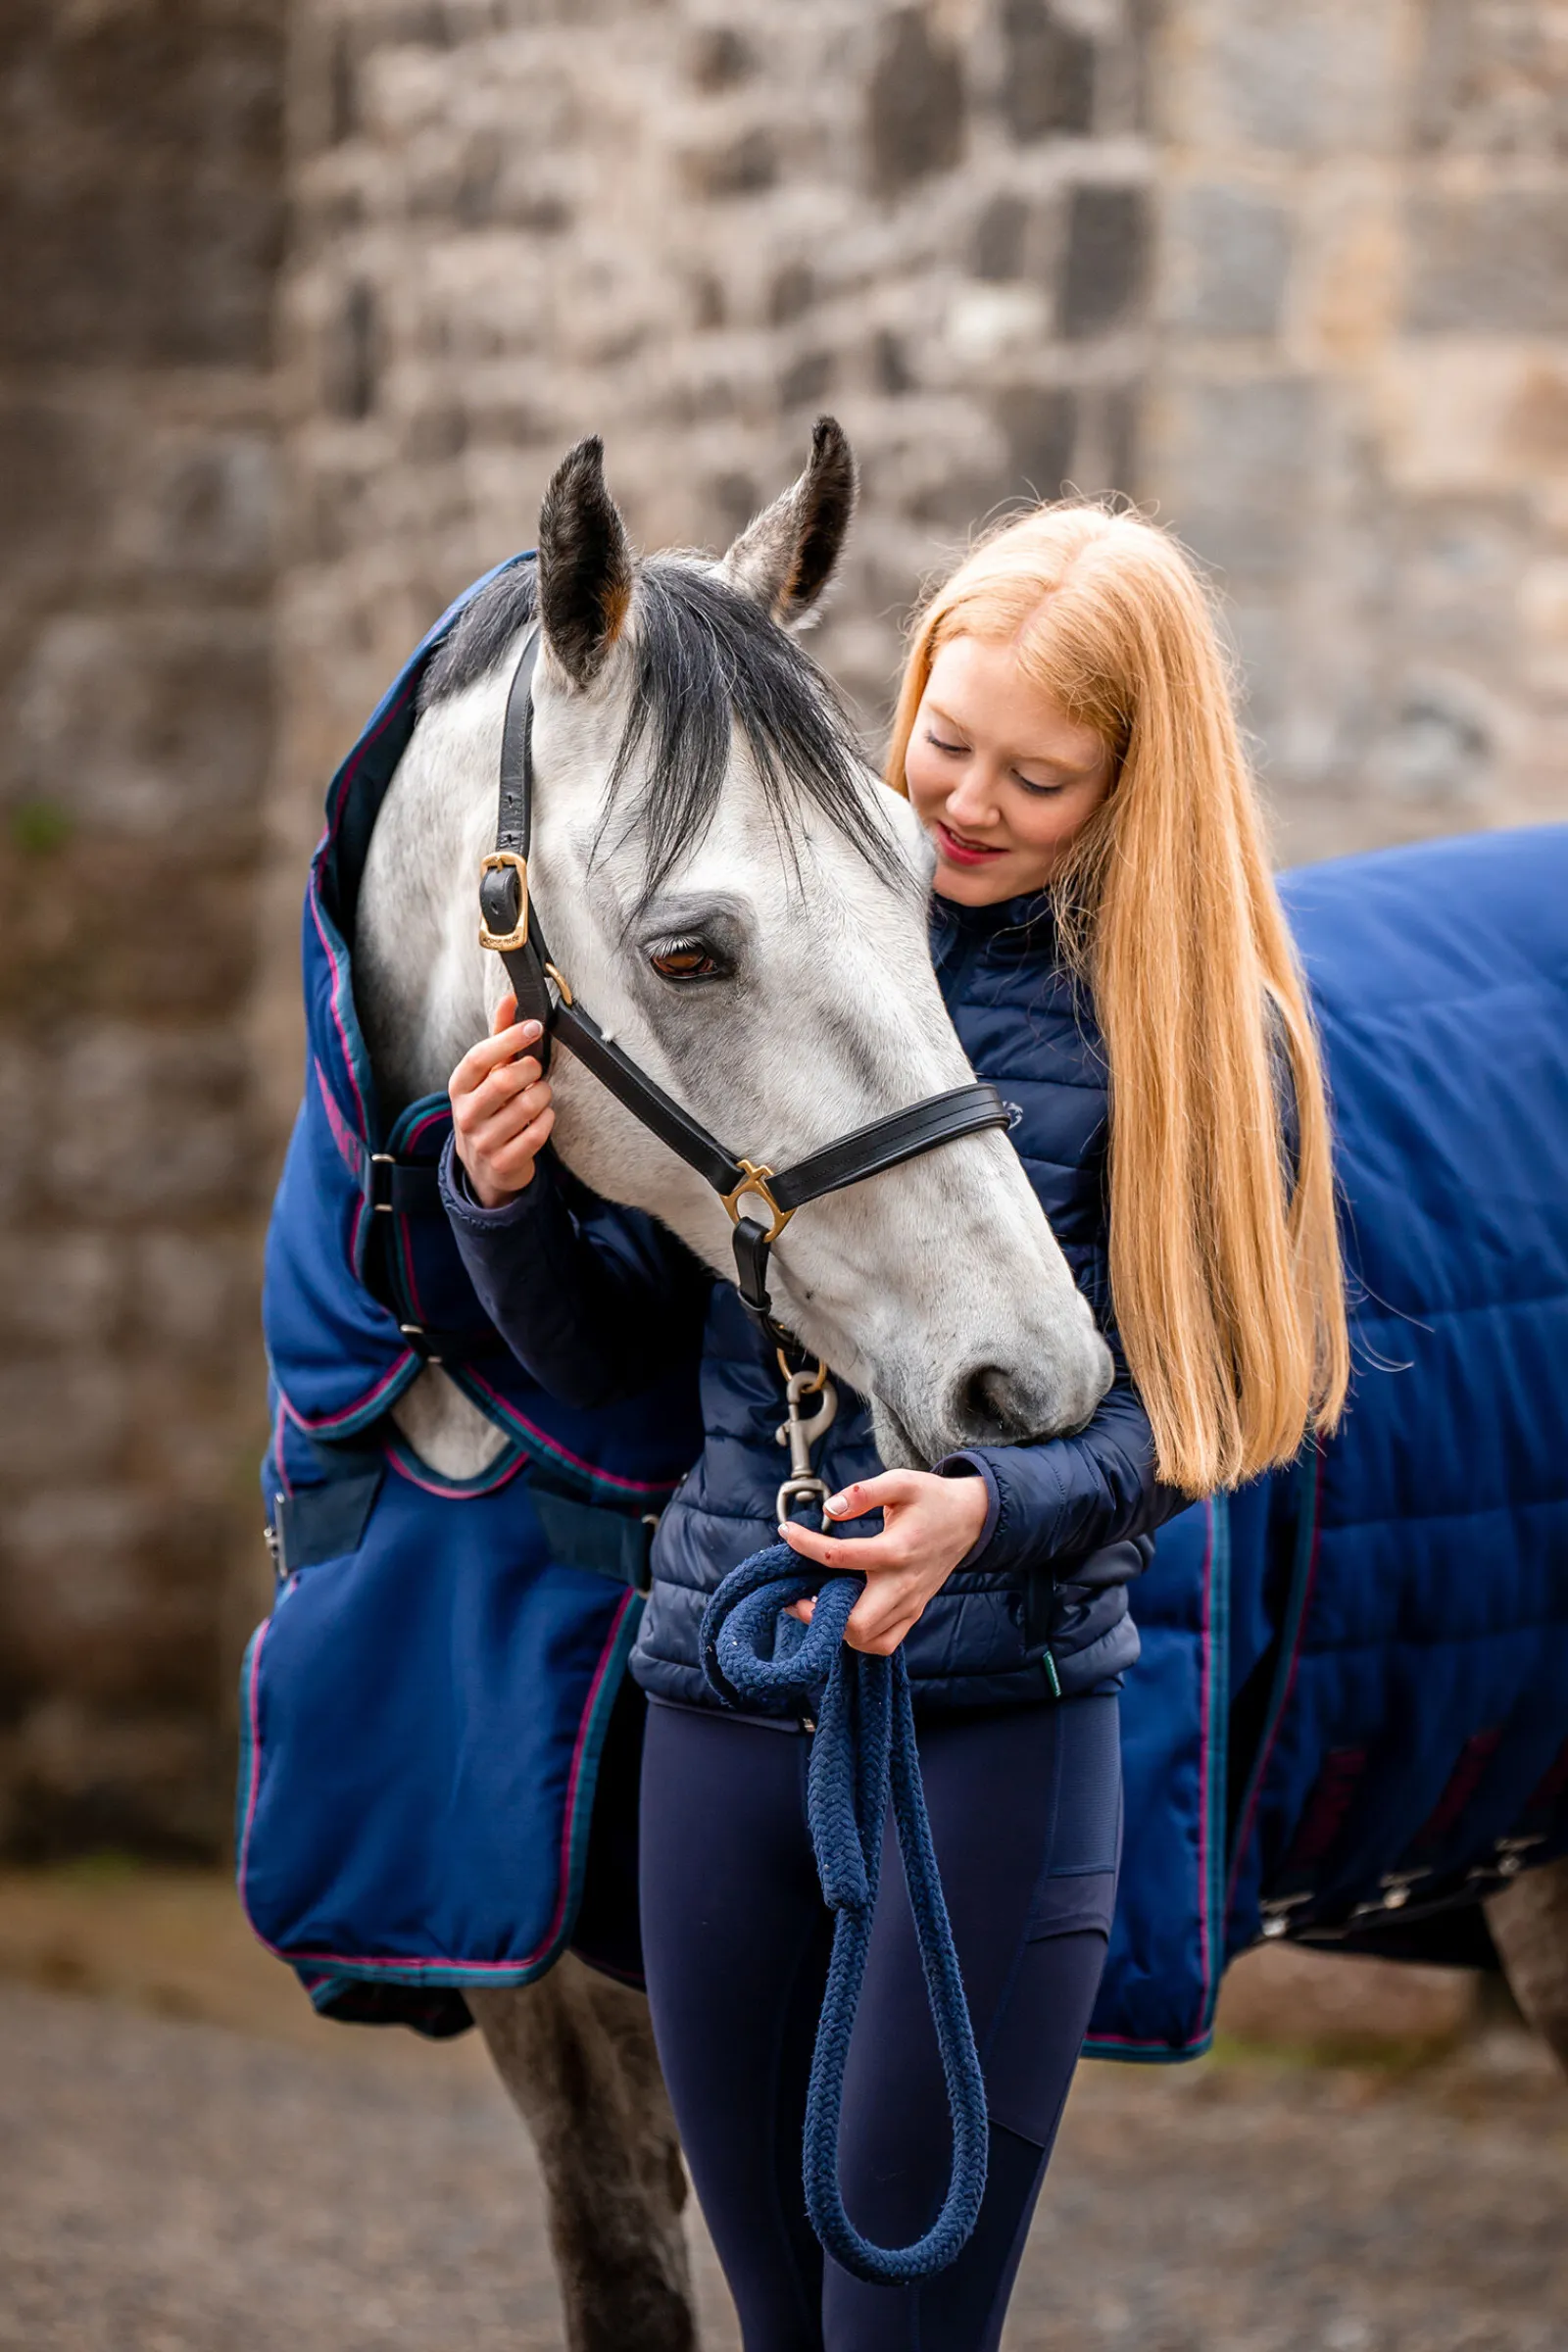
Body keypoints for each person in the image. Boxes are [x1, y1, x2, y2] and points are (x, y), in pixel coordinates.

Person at [439, 505, 1348, 2352]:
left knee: (901, 2325)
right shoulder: (796, 943)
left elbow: (1194, 1419)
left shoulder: (1191, 1033)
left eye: (1042, 777)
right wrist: (506, 1201)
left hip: (993, 1741)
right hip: (718, 1702)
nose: (969, 803)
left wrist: (987, 1516)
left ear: (1134, 786)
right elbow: (623, 1373)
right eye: (946, 738)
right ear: (903, 691)